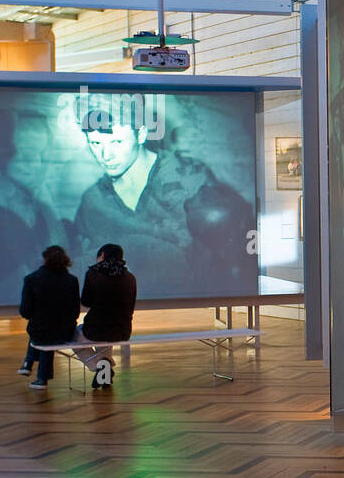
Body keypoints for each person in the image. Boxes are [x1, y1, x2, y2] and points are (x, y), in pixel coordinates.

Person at [73, 107, 255, 297]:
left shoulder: (191, 180)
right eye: (95, 143)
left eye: (116, 142)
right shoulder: (93, 200)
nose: (105, 155)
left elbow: (230, 255)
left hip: (191, 305)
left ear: (141, 134)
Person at [73, 244, 137, 389]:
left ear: (102, 255)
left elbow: (86, 301)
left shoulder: (93, 274)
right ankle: (105, 376)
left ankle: (99, 366)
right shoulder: (130, 277)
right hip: (122, 331)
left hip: (95, 329)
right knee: (107, 339)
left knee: (74, 337)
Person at [17, 245, 80, 390]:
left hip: (40, 331)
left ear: (44, 259)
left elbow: (25, 312)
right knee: (48, 332)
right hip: (65, 332)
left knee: (41, 333)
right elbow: (75, 312)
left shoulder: (31, 279)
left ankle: (32, 367)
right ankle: (33, 369)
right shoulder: (72, 281)